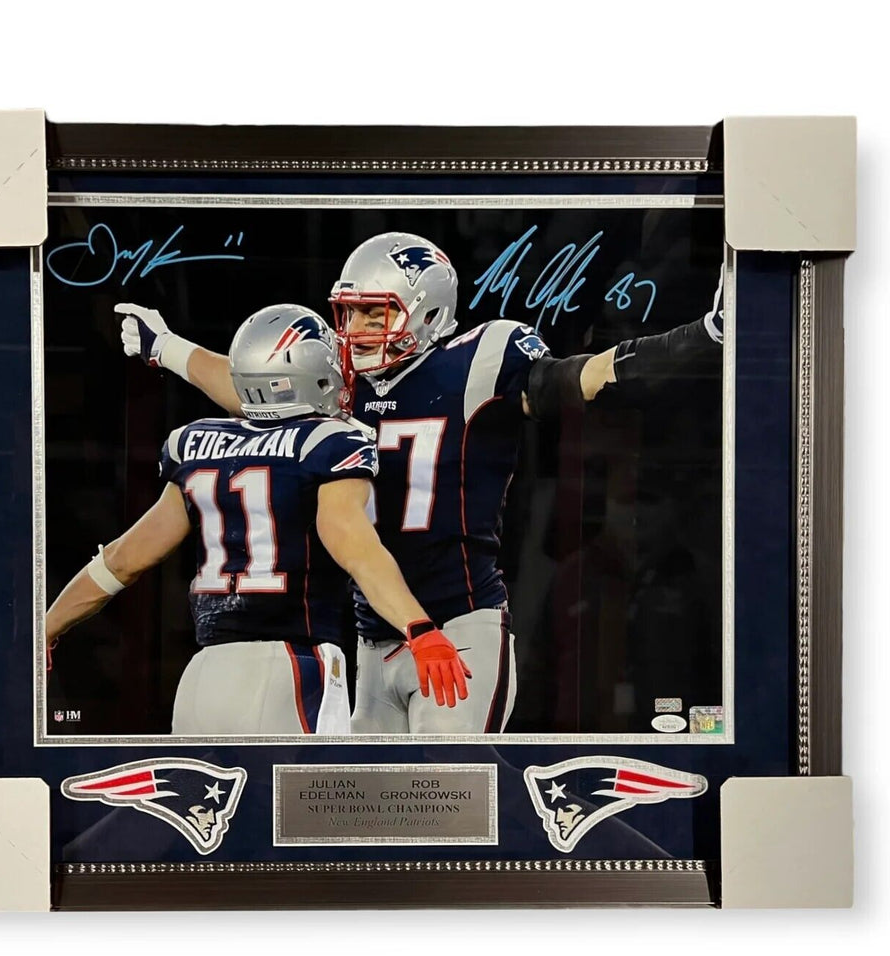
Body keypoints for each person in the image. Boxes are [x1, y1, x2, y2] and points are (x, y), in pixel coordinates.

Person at [116, 235, 723, 735]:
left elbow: (585, 377)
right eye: (350, 313)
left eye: (374, 313)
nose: (356, 329)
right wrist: (166, 348)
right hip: (372, 638)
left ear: (427, 312)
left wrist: (704, 336)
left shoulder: (475, 363)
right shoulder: (339, 382)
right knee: (365, 819)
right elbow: (252, 389)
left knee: (445, 800)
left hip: (458, 625)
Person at [48, 303, 470, 736]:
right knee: (310, 785)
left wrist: (46, 628)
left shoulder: (196, 444)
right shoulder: (331, 441)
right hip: (289, 666)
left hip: (202, 676)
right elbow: (356, 548)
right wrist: (419, 628)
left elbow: (122, 561)